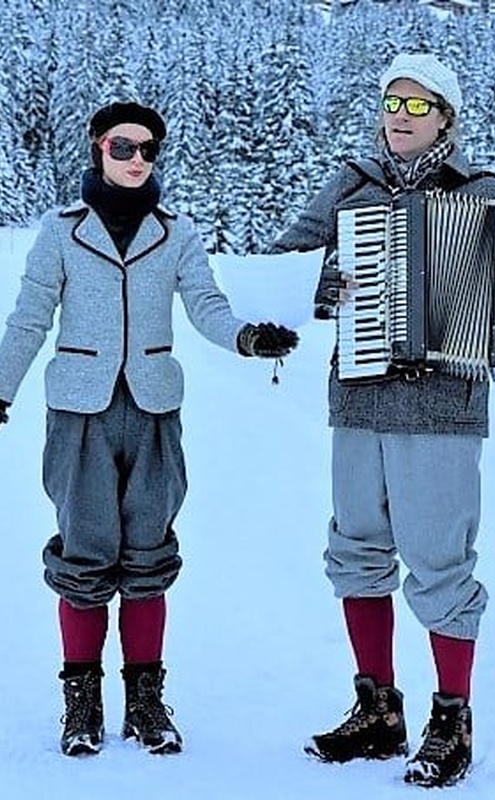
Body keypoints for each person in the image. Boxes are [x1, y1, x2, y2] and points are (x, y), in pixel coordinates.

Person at [269, 53, 495, 788]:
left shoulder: (491, 197)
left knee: (440, 564)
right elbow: (276, 267)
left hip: (444, 405)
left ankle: (451, 719)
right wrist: (322, 280)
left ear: (445, 117)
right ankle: (378, 712)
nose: (398, 118)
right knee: (355, 552)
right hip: (360, 397)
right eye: (390, 103)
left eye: (415, 106)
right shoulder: (351, 186)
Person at [0, 101, 298, 757]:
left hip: (154, 409)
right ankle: (81, 702)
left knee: (148, 556)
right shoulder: (61, 230)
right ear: (97, 149)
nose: (136, 159)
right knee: (84, 556)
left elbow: (205, 306)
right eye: (122, 147)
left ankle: (145, 700)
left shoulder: (177, 232)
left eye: (146, 149)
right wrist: (1, 388)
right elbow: (28, 319)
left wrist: (248, 338)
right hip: (79, 409)